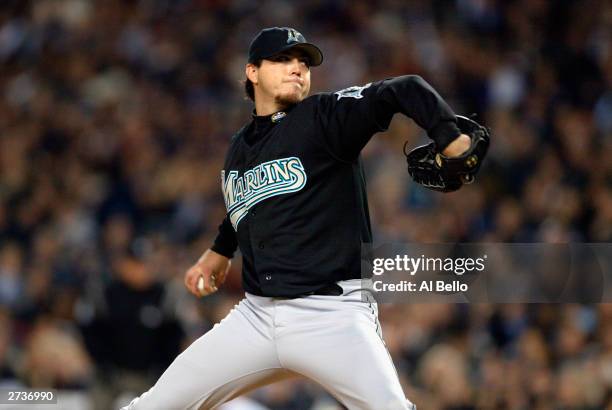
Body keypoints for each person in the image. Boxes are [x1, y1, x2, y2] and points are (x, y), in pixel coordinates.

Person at [123, 26, 471, 410]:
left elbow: (402, 88)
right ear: (252, 72)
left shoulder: (324, 117)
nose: (297, 68)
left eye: (303, 62)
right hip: (256, 317)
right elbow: (253, 204)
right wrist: (219, 250)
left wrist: (448, 134)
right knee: (152, 406)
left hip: (331, 314)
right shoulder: (239, 147)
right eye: (283, 59)